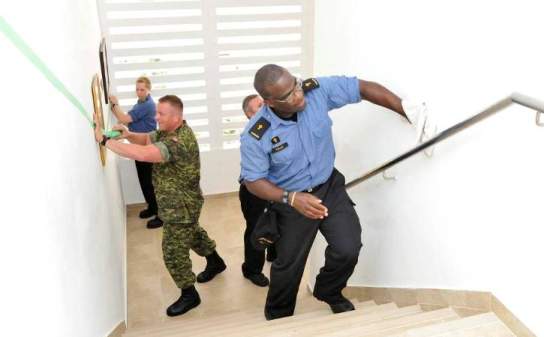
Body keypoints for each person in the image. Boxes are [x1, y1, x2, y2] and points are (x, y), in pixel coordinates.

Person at [239, 64, 421, 320]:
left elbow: (362, 87)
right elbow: (253, 181)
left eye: (297, 85)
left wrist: (406, 109)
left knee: (348, 248)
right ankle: (278, 317)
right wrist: (291, 198)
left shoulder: (315, 91)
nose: (299, 95)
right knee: (288, 265)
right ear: (269, 102)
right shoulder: (256, 135)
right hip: (291, 201)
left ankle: (329, 291)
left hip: (329, 187)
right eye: (288, 96)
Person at [94, 95, 227, 317]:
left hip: (181, 206)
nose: (156, 117)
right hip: (180, 203)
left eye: (161, 114)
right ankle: (215, 262)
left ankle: (189, 294)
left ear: (177, 117)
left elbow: (144, 154)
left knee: (173, 252)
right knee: (192, 233)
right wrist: (128, 135)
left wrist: (105, 141)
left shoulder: (178, 142)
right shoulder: (169, 130)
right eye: (156, 112)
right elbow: (147, 140)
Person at [109, 76, 162, 229]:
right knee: (144, 181)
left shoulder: (147, 105)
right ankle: (152, 208)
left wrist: (114, 104)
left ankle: (161, 216)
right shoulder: (141, 103)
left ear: (149, 90)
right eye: (137, 89)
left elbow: (124, 119)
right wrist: (115, 108)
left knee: (150, 183)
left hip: (147, 148)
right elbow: (126, 119)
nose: (139, 92)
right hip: (140, 147)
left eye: (142, 89)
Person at [239, 94, 276, 287]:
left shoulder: (277, 124)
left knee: (277, 222)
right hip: (254, 191)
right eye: (259, 106)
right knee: (256, 229)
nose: (265, 107)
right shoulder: (252, 135)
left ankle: (273, 253)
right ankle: (252, 270)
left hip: (277, 188)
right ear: (249, 115)